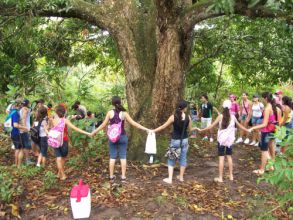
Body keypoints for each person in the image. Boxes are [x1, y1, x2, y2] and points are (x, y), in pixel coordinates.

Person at [91, 96, 149, 182]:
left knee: (112, 157)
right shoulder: (124, 113)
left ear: (112, 103)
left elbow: (103, 125)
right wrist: (146, 129)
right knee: (123, 156)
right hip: (122, 136)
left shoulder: (110, 113)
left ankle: (111, 176)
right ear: (120, 102)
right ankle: (123, 177)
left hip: (112, 137)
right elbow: (134, 123)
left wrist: (94, 132)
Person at [195, 100, 249, 182]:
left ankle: (220, 178)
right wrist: (248, 130)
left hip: (221, 141)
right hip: (229, 141)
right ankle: (231, 176)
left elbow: (210, 126)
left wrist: (201, 130)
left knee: (221, 158)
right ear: (230, 107)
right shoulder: (233, 117)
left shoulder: (220, 116)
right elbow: (240, 126)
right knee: (229, 157)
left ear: (223, 107)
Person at [153, 100, 192, 184]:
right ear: (184, 108)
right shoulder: (188, 117)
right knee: (183, 158)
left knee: (171, 159)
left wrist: (154, 130)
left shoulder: (173, 117)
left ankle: (170, 179)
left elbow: (163, 126)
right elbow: (191, 129)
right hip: (185, 140)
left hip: (175, 141)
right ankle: (181, 177)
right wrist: (196, 129)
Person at [50, 104, 91, 180]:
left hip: (55, 140)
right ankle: (63, 175)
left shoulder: (53, 119)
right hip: (63, 140)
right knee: (63, 158)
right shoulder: (64, 120)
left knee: (58, 158)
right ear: (64, 112)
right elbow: (75, 128)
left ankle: (59, 173)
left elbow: (51, 129)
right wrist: (87, 133)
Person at [248, 92, 280, 175]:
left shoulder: (267, 108)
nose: (262, 99)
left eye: (262, 98)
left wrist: (253, 127)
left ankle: (262, 170)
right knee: (264, 148)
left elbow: (264, 124)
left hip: (266, 132)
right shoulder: (274, 107)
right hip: (272, 131)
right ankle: (271, 166)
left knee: (264, 150)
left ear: (265, 98)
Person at [10, 100, 30, 167]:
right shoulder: (16, 113)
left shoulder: (12, 111)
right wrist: (24, 128)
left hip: (12, 132)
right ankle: (19, 166)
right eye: (20, 104)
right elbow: (15, 124)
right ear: (18, 105)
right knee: (21, 148)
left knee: (17, 148)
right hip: (17, 133)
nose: (21, 106)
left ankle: (16, 164)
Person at [19, 99, 33, 165]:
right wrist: (25, 128)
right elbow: (23, 118)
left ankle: (23, 160)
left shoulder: (21, 109)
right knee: (26, 146)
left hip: (21, 129)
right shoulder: (25, 109)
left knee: (23, 146)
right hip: (24, 129)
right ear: (28, 104)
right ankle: (27, 160)